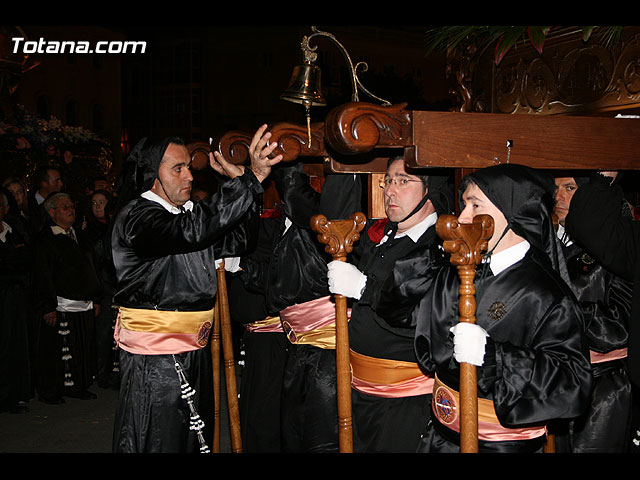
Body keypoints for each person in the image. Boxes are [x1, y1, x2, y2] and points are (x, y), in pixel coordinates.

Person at [110, 124, 281, 453]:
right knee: (159, 439)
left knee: (193, 440)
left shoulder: (182, 217)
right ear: (151, 175)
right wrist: (249, 180)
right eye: (177, 168)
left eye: (188, 166)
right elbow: (192, 230)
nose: (189, 176)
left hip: (194, 351)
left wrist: (239, 185)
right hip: (156, 359)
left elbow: (240, 240)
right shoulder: (138, 217)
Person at [413, 163, 592, 453]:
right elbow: (425, 342)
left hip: (499, 445)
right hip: (441, 437)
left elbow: (573, 384)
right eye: (464, 204)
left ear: (512, 214)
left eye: (475, 205)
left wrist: (494, 356)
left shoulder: (544, 292)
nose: (462, 217)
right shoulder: (459, 270)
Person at [325, 156, 452, 452]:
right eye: (388, 181)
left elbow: (424, 313)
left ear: (430, 192)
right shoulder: (385, 238)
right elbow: (331, 213)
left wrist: (364, 288)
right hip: (364, 394)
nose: (390, 190)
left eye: (403, 181)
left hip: (406, 403)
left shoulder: (441, 247)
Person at [238, 160, 361, 453]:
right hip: (300, 347)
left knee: (322, 435)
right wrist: (239, 266)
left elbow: (295, 193)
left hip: (325, 349)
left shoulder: (320, 224)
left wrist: (284, 161)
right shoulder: (288, 226)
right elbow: (279, 282)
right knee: (294, 431)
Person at [551, 174, 633, 452]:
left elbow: (619, 326)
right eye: (556, 189)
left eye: (570, 188)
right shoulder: (547, 243)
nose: (559, 197)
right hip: (557, 383)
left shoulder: (614, 250)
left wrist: (557, 313)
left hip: (603, 391)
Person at [32, 192, 102, 404]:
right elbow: (42, 274)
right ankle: (52, 390)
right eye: (64, 207)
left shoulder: (80, 235)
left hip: (84, 303)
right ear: (52, 212)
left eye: (71, 206)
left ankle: (79, 386)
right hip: (61, 305)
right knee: (58, 350)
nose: (70, 210)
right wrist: (48, 306)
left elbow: (93, 268)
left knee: (82, 347)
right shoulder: (46, 239)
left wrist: (96, 298)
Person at [0, 190, 32, 413]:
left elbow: (29, 262)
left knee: (15, 347)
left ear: (5, 209)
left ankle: (13, 396)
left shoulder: (15, 233)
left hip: (15, 300)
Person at [27, 166, 63, 234]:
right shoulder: (29, 204)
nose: (61, 184)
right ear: (44, 183)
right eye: (56, 181)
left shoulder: (62, 201)